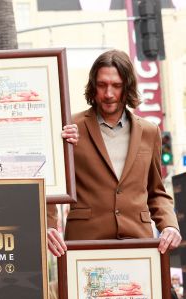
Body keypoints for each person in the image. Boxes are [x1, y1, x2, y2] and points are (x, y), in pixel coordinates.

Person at [46, 49, 181, 256]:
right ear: (93, 86)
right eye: (102, 85)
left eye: (117, 86)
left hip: (139, 242)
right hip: (85, 241)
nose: (109, 94)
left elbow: (156, 191)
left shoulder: (149, 131)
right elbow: (52, 184)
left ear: (127, 88)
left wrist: (170, 225)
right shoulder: (70, 128)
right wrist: (49, 225)